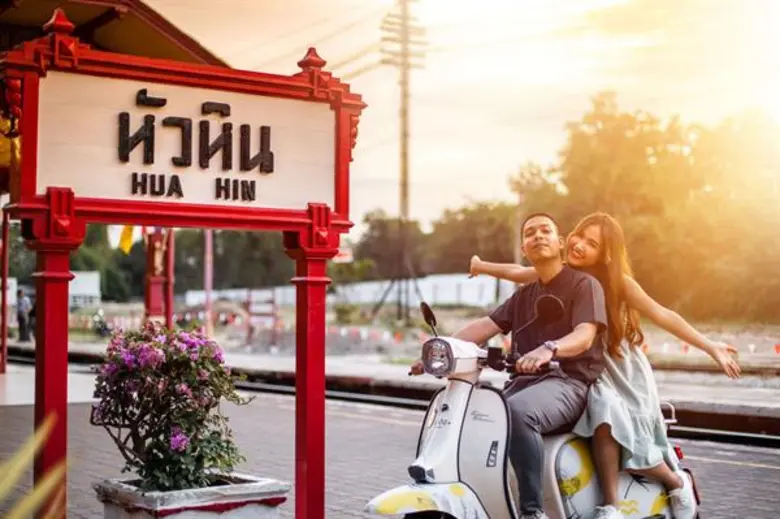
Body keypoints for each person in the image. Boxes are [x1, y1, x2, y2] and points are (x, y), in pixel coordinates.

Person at [469, 212, 741, 519]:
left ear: (605, 254)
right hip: (579, 360)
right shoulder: (561, 272)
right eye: (579, 235)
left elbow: (663, 315)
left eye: (592, 243)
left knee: (626, 433)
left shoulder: (616, 282)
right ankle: (607, 503)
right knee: (598, 425)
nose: (580, 245)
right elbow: (517, 272)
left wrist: (709, 346)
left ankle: (674, 482)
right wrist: (480, 266)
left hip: (616, 366)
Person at [411, 212, 609, 519]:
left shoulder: (584, 284)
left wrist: (549, 349)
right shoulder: (523, 295)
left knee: (516, 413)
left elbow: (584, 335)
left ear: (560, 243)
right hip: (524, 383)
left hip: (569, 382)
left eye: (545, 230)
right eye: (530, 233)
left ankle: (532, 511)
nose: (538, 236)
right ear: (524, 249)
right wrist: (437, 351)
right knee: (478, 415)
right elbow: (484, 327)